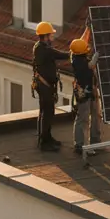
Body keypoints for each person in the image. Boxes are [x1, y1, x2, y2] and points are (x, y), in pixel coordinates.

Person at [32, 21, 69, 151]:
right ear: (46, 36)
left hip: (44, 85)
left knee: (45, 112)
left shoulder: (39, 47)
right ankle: (44, 142)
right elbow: (60, 55)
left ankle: (46, 137)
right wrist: (75, 53)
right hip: (45, 86)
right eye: (51, 35)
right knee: (47, 113)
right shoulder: (44, 50)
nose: (53, 38)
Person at [70, 38, 102, 156]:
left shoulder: (79, 57)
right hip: (83, 93)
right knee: (83, 119)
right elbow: (91, 65)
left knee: (96, 115)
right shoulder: (78, 61)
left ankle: (96, 141)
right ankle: (80, 145)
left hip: (91, 91)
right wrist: (96, 55)